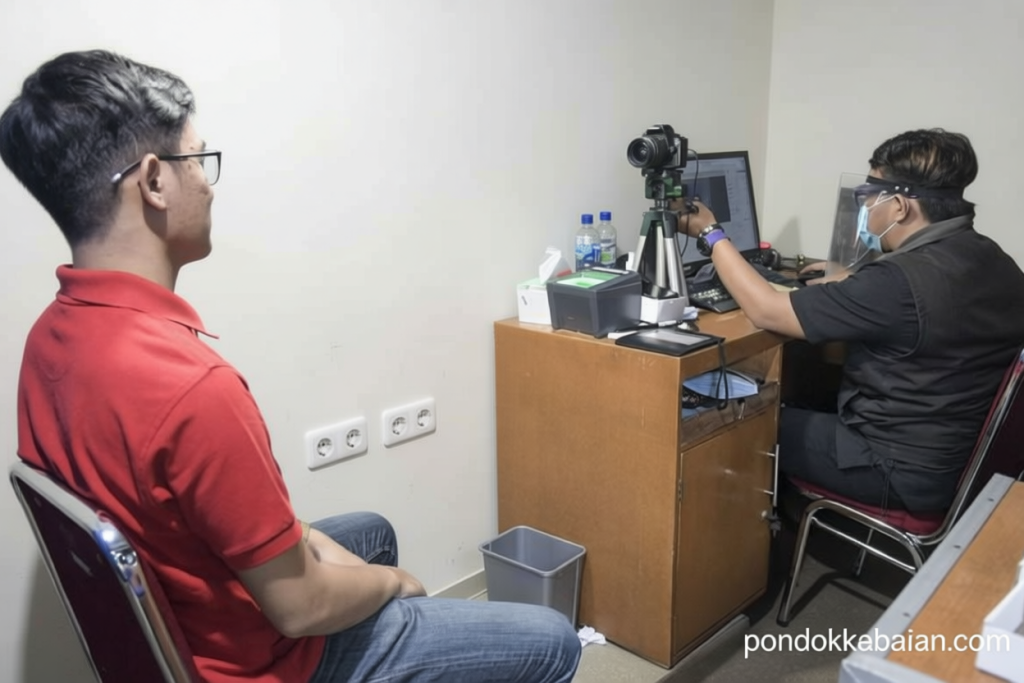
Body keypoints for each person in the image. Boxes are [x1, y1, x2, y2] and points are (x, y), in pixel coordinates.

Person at [2, 50, 580, 683]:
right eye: (198, 160)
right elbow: (301, 609)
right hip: (258, 665)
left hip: (183, 625)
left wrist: (314, 545)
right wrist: (395, 584)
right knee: (552, 640)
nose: (208, 185)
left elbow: (197, 514)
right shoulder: (191, 387)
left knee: (368, 532)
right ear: (155, 181)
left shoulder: (51, 337)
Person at [674, 129, 1024, 513]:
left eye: (869, 195)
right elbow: (917, 298)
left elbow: (766, 311)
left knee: (743, 421)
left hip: (895, 469)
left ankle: (760, 539)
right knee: (802, 392)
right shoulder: (994, 260)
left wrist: (710, 232)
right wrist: (854, 280)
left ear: (899, 206)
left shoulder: (895, 285)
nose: (866, 206)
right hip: (963, 464)